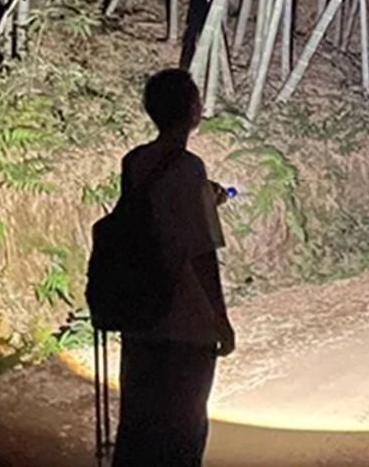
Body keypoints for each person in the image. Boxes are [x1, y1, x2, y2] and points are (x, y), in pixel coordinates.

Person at [111, 68, 235, 467]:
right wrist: (220, 319)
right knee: (183, 431)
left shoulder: (134, 163)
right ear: (193, 111)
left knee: (138, 427)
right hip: (185, 323)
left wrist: (202, 201)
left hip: (140, 317)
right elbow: (200, 254)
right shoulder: (190, 169)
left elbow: (152, 221)